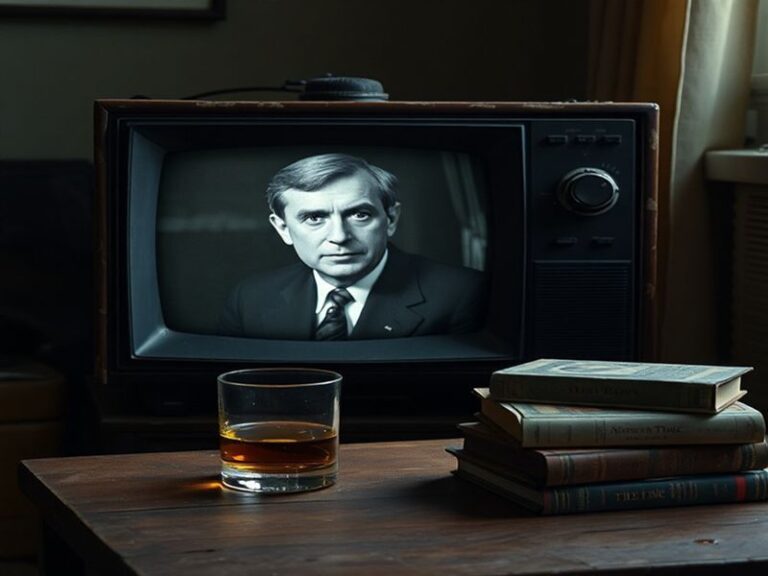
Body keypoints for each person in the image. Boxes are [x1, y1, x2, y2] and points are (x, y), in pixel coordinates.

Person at [220, 153, 485, 340]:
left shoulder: (463, 294)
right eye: (315, 218)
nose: (339, 236)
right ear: (283, 229)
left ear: (391, 219)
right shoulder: (249, 299)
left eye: (359, 215)